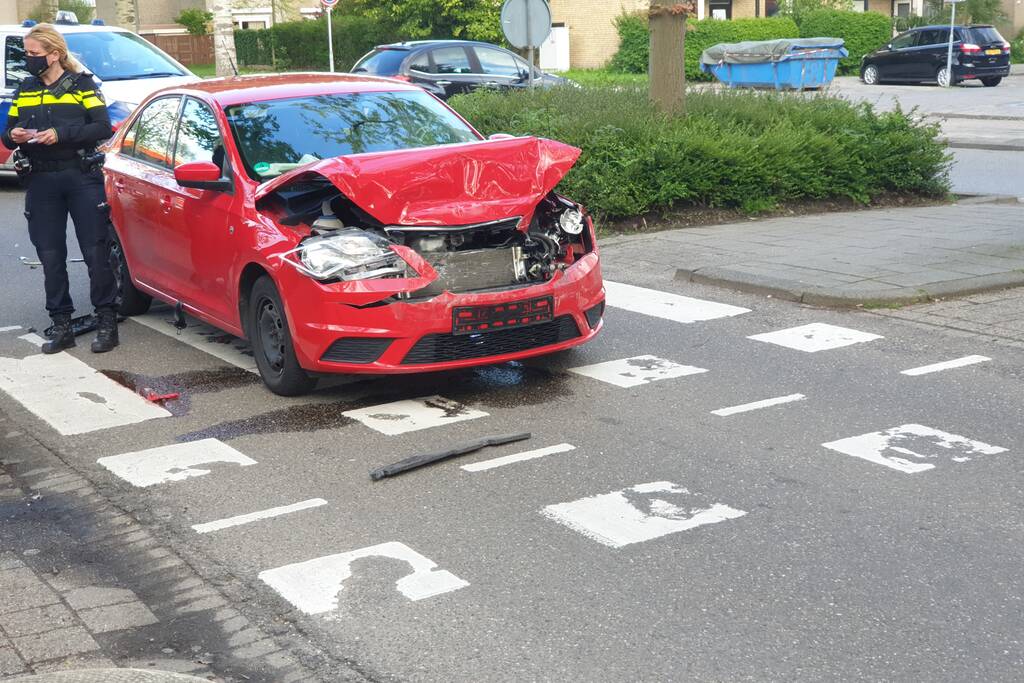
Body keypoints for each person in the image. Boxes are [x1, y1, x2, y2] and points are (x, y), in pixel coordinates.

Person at [1, 24, 118, 354]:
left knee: (96, 251)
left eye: (34, 54)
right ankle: (62, 324)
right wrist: (17, 136)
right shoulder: (24, 88)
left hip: (79, 176)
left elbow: (101, 127)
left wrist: (60, 134)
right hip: (41, 179)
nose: (28, 59)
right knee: (50, 255)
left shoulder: (82, 85)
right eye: (26, 53)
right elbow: (7, 134)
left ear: (54, 55)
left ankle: (106, 321)